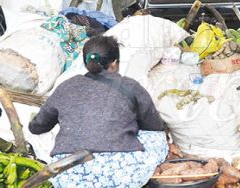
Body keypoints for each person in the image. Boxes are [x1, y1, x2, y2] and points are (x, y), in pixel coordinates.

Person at [28, 35, 168, 187]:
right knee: (157, 136)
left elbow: (37, 127)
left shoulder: (66, 86)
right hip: (122, 174)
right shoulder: (130, 86)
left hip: (69, 176)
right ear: (114, 63)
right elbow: (154, 125)